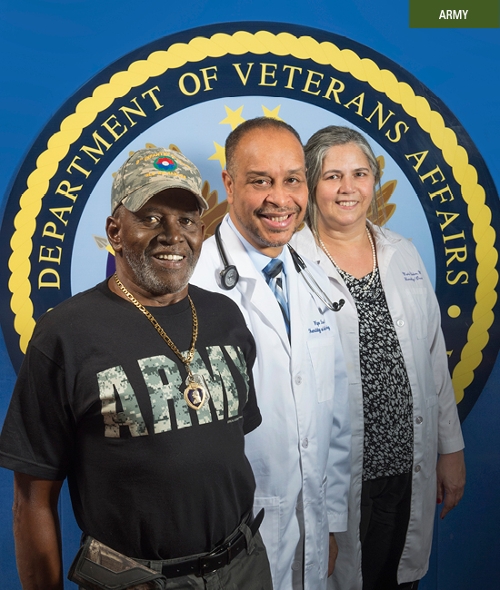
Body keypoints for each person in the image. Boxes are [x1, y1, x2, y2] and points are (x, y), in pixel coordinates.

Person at [0, 146, 273, 590]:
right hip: (138, 581)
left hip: (244, 568)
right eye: (150, 217)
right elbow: (32, 498)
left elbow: (218, 448)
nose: (173, 234)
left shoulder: (226, 317)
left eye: (187, 220)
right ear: (114, 230)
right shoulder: (65, 334)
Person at [290, 125, 466, 590]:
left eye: (359, 173)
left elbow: (433, 363)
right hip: (334, 478)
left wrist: (451, 450)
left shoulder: (402, 253)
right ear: (310, 186)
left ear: (374, 181)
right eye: (332, 177)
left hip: (406, 465)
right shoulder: (289, 262)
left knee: (396, 578)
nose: (348, 188)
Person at [191, 117, 351, 590]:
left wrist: (330, 522)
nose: (280, 199)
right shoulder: (192, 285)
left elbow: (334, 411)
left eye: (292, 180)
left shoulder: (313, 271)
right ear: (228, 183)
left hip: (312, 526)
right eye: (260, 181)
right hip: (228, 543)